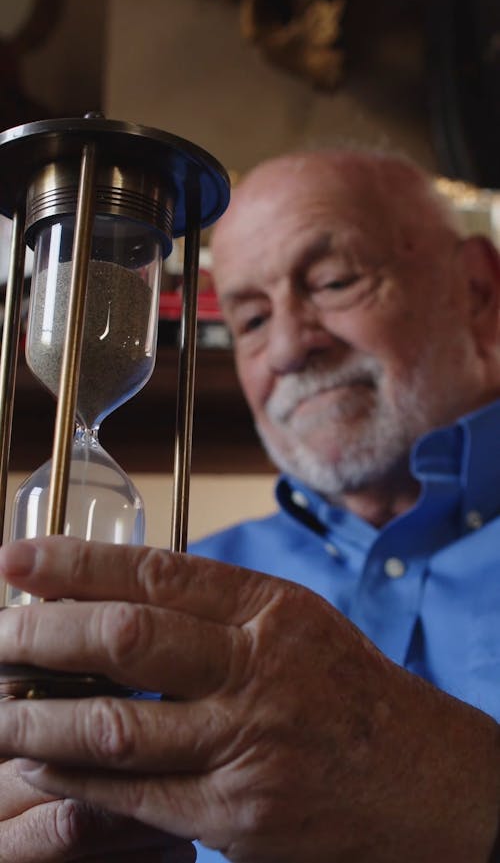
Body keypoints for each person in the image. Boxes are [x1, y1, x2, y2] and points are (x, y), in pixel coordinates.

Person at [0, 148, 499, 863]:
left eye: (334, 281)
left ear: (479, 289)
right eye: (252, 317)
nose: (292, 345)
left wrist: (461, 786)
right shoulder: (171, 601)